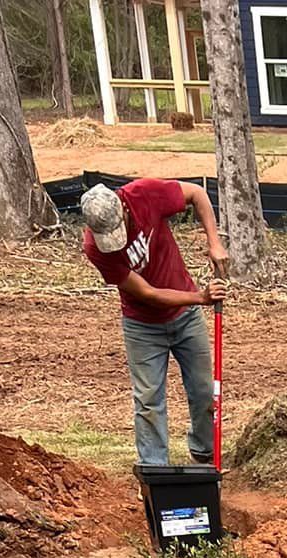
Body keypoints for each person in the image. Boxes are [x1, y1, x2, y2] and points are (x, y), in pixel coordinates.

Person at [81, 180, 228, 468]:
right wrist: (200, 297)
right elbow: (147, 293)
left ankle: (204, 453)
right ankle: (154, 469)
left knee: (202, 391)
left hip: (185, 318)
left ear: (123, 208)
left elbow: (197, 194)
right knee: (148, 401)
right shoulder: (94, 247)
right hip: (142, 326)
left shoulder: (144, 195)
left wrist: (214, 242)